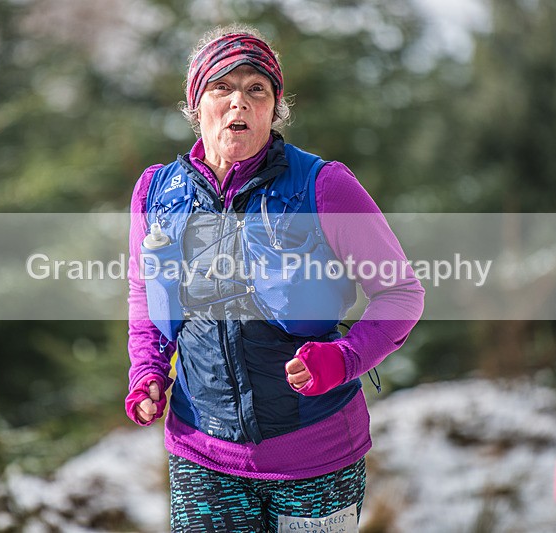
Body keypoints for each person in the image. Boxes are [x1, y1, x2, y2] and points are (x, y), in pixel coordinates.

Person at [125, 24, 425, 533]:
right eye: (222, 87)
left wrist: (346, 357)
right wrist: (146, 369)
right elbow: (142, 291)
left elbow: (400, 293)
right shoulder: (157, 191)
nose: (238, 102)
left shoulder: (324, 186)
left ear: (274, 107)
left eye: (255, 89)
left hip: (317, 452)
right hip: (201, 454)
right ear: (197, 105)